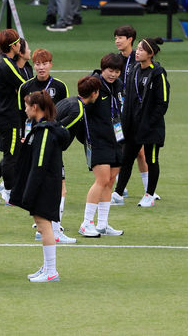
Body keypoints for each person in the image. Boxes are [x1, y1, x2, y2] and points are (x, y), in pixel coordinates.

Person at [10, 91, 70, 283]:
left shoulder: (45, 131)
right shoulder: (44, 129)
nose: (25, 109)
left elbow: (40, 164)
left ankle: (51, 271)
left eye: (27, 105)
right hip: (46, 184)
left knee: (45, 226)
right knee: (44, 225)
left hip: (45, 186)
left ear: (35, 107)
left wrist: (30, 191)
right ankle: (47, 267)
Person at [17, 49, 70, 239]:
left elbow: (64, 113)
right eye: (37, 63)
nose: (41, 67)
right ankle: (47, 226)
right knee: (39, 177)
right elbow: (20, 115)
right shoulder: (26, 87)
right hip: (34, 140)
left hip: (52, 140)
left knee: (58, 184)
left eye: (44, 63)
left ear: (50, 64)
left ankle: (53, 225)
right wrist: (24, 138)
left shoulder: (60, 86)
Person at [116, 38, 170, 208]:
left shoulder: (158, 73)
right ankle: (118, 194)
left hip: (150, 129)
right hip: (132, 127)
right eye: (137, 48)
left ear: (151, 54)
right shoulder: (134, 70)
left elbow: (163, 103)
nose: (137, 52)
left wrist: (148, 123)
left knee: (151, 159)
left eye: (141, 49)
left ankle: (150, 194)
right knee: (126, 160)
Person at [78, 54, 126, 238]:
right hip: (98, 141)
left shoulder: (119, 85)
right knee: (102, 179)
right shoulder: (94, 85)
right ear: (103, 69)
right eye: (110, 71)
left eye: (116, 71)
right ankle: (86, 223)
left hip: (116, 139)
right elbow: (82, 109)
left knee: (110, 181)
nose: (113, 74)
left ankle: (103, 224)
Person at [112, 25, 150, 200]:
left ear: (130, 40)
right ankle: (121, 187)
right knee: (119, 149)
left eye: (121, 37)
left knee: (140, 152)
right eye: (116, 38)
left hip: (135, 113)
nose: (118, 41)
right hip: (118, 113)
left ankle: (148, 190)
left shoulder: (137, 58)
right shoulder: (114, 60)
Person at [0, 29, 23, 204]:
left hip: (4, 114)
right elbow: (24, 86)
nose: (21, 44)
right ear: (13, 46)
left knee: (12, 152)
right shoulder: (6, 64)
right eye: (18, 42)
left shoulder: (4, 61)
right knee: (12, 155)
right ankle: (9, 192)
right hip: (10, 116)